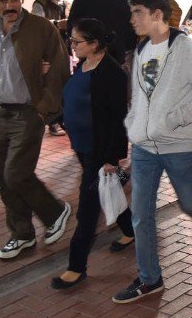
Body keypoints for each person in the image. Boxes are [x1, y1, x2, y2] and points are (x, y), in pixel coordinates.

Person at [113, 0, 192, 303]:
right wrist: (135, 125)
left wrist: (172, 120)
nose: (131, 19)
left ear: (156, 14)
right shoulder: (141, 50)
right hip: (144, 148)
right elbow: (140, 97)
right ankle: (150, 279)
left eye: (137, 12)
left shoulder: (184, 48)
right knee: (141, 213)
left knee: (190, 203)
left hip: (179, 145)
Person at [0, 0, 72, 259]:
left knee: (16, 173)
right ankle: (21, 235)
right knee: (4, 180)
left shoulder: (40, 28)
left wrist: (44, 107)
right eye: (3, 1)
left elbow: (58, 67)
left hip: (26, 113)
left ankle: (55, 211)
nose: (10, 6)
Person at [51, 18, 134, 290]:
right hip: (83, 146)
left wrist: (112, 159)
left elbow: (118, 121)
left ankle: (76, 267)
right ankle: (131, 231)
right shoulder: (84, 65)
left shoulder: (111, 75)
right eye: (71, 41)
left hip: (100, 150)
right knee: (107, 192)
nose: (72, 46)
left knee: (87, 208)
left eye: (77, 42)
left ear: (95, 44)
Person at [68, 0, 136, 64]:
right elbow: (128, 29)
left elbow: (72, 23)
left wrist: (78, 43)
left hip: (87, 51)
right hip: (113, 54)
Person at [32, 0, 69, 136]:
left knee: (63, 83)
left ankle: (62, 119)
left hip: (64, 49)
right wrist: (57, 24)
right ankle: (52, 122)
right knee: (51, 85)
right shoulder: (40, 4)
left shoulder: (64, 4)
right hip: (48, 51)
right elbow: (37, 25)